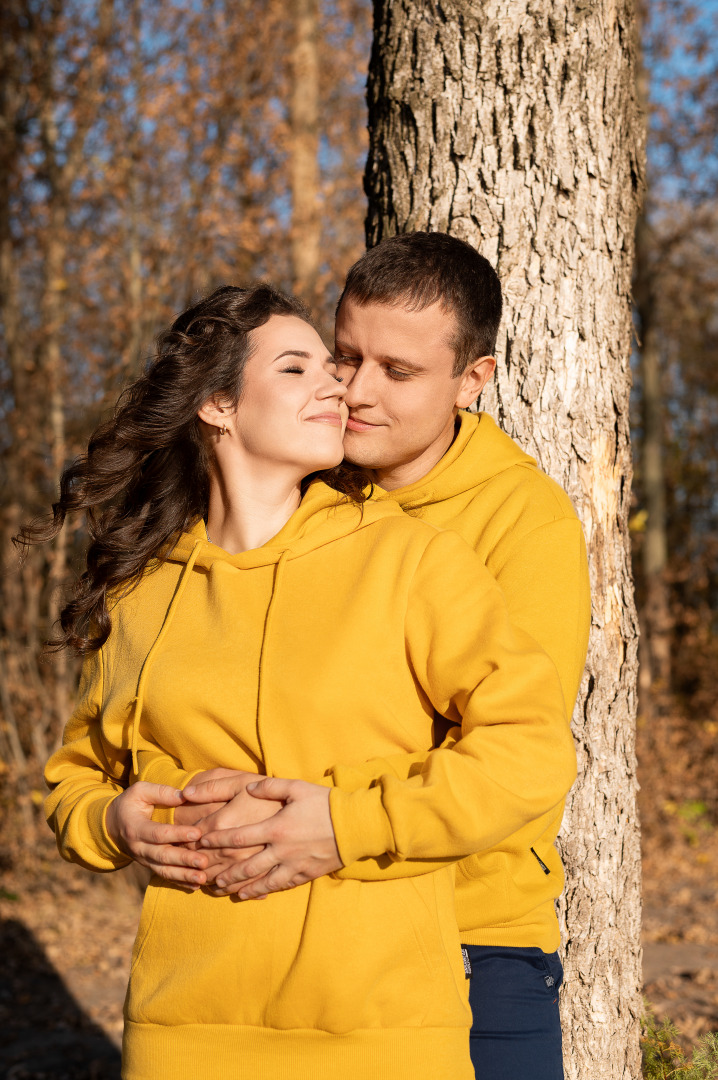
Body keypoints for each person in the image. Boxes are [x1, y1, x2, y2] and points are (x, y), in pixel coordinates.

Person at [37, 283, 575, 1080]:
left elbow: (531, 753)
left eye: (335, 367)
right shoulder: (141, 592)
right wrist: (116, 822)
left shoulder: (410, 561)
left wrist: (344, 824)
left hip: (382, 1029)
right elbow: (74, 779)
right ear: (218, 404)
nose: (340, 387)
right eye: (303, 368)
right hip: (182, 1032)